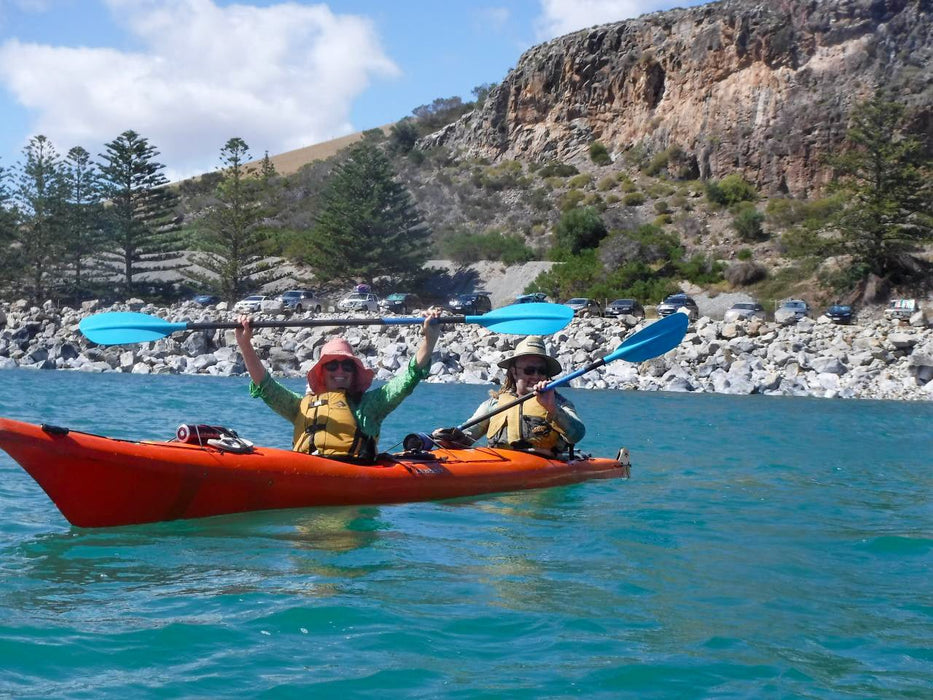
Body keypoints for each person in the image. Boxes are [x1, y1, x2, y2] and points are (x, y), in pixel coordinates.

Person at [235, 308, 442, 462]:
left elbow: (408, 378)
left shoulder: (369, 406)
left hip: (353, 473)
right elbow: (265, 386)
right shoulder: (299, 407)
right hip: (306, 470)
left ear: (354, 373)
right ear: (322, 372)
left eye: (347, 366)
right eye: (332, 365)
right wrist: (245, 344)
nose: (340, 371)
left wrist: (429, 341)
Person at [432, 335, 585, 456]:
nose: (537, 375)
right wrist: (447, 437)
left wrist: (552, 408)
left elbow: (577, 434)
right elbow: (467, 436)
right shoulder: (494, 404)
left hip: (544, 467)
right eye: (529, 370)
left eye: (542, 371)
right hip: (501, 464)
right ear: (514, 372)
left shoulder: (558, 403)